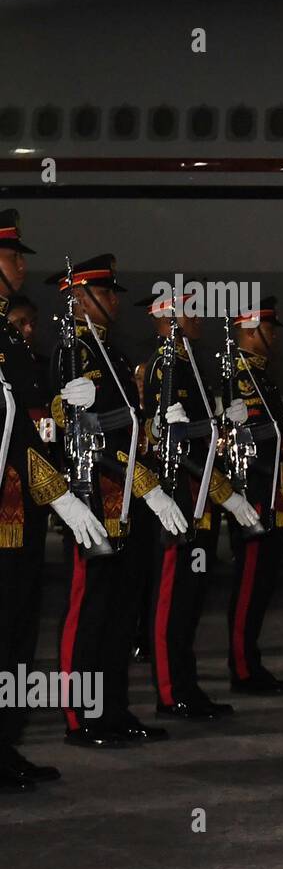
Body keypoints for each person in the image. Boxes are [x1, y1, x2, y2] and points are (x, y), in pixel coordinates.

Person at [48, 255, 188, 748]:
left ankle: (113, 708)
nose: (113, 301)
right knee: (88, 611)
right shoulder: (72, 350)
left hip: (126, 502)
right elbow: (59, 422)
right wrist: (66, 405)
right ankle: (79, 717)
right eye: (105, 293)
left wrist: (158, 422)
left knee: (120, 612)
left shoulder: (113, 352)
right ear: (80, 296)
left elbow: (128, 425)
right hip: (94, 501)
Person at [0, 220, 113, 787]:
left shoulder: (12, 344)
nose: (21, 266)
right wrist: (65, 497)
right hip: (7, 511)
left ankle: (6, 744)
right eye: (12, 255)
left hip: (19, 520)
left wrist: (68, 409)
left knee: (19, 634)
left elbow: (39, 426)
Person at [139, 291, 263, 721]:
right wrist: (224, 492)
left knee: (190, 601)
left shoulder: (190, 364)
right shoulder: (165, 365)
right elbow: (163, 439)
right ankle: (171, 692)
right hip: (178, 498)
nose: (199, 321)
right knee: (171, 602)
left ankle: (186, 685)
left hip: (199, 500)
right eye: (190, 314)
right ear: (168, 320)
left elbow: (201, 435)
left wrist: (223, 421)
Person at [223, 297, 283, 695]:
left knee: (262, 586)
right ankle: (242, 668)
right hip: (253, 495)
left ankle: (249, 662)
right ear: (251, 331)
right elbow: (253, 441)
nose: (274, 337)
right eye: (268, 330)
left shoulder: (261, 376)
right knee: (250, 585)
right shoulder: (240, 376)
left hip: (269, 495)